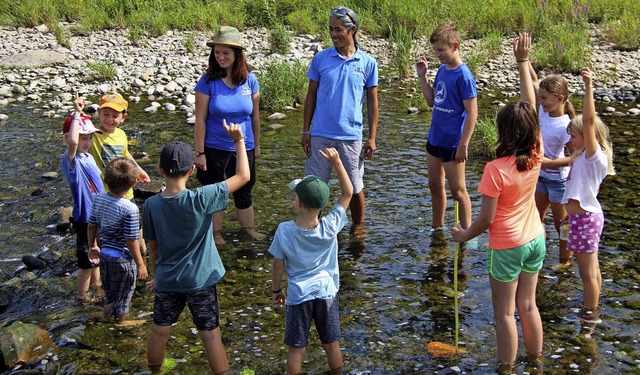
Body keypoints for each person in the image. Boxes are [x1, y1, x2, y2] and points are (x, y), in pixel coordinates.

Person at [451, 33, 545, 375]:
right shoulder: (536, 153)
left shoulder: (495, 170)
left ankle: (506, 368)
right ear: (531, 131)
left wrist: (463, 235)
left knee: (505, 313)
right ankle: (535, 361)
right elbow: (530, 108)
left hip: (507, 246)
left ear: (503, 133)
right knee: (529, 304)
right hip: (536, 239)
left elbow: (487, 221)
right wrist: (523, 62)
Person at [144, 121, 249, 374]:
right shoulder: (202, 198)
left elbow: (153, 245)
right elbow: (243, 176)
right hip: (200, 280)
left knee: (159, 331)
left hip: (168, 279)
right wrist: (239, 141)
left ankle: (154, 371)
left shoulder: (151, 205)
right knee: (210, 336)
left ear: (160, 169)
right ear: (192, 170)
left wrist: (156, 275)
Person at [269, 148, 353, 375]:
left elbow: (278, 264)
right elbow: (348, 192)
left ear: (298, 202)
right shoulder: (331, 224)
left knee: (296, 348)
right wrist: (337, 163)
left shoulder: (285, 230)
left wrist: (276, 289)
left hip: (298, 295)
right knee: (331, 343)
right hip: (326, 291)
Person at [301, 6, 378, 230]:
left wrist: (371, 137)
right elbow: (311, 95)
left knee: (354, 187)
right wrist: (306, 131)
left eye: (338, 29)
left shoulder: (367, 63)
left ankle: (358, 230)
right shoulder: (320, 59)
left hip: (351, 136)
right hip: (320, 135)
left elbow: (373, 102)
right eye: (330, 29)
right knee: (315, 186)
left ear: (352, 30)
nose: (333, 34)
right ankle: (313, 228)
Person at [194, 25, 264, 245]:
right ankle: (215, 233)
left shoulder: (250, 80)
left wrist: (257, 144)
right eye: (217, 52)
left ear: (237, 55)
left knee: (245, 190)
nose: (220, 57)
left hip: (244, 146)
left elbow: (255, 117)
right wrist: (199, 152)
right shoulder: (207, 81)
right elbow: (200, 119)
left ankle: (248, 230)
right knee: (216, 192)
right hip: (215, 148)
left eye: (226, 52)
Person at [561, 64, 615, 324]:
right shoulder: (581, 156)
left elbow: (590, 121)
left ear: (587, 136)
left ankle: (589, 315)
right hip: (579, 219)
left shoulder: (595, 157)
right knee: (591, 270)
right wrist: (567, 219)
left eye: (572, 135)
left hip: (586, 219)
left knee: (588, 273)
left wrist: (588, 86)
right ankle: (593, 305)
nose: (569, 140)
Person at [415, 22, 478, 230]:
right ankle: (437, 227)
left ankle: (468, 233)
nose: (437, 54)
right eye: (435, 50)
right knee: (434, 186)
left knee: (458, 191)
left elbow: (472, 113)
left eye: (441, 50)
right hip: (435, 139)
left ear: (455, 46)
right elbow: (432, 101)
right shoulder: (442, 70)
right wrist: (422, 77)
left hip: (453, 143)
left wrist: (464, 144)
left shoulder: (464, 76)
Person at [519, 53, 576, 269]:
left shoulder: (566, 125)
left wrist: (547, 162)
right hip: (540, 177)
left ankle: (565, 260)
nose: (540, 102)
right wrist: (525, 59)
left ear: (560, 99)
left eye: (544, 98)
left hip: (559, 181)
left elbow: (574, 158)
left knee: (562, 223)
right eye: (540, 97)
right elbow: (533, 82)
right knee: (536, 218)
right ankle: (537, 258)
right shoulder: (543, 114)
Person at [87, 157, 148, 325]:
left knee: (110, 291)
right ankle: (121, 322)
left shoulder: (99, 199)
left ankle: (108, 317)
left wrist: (92, 246)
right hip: (123, 260)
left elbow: (92, 225)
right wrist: (141, 263)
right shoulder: (130, 208)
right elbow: (130, 240)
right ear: (134, 183)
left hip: (104, 255)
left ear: (105, 180)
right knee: (125, 293)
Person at [88, 92, 150, 255]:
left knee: (135, 224)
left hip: (126, 192)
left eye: (114, 116)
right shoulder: (94, 135)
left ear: (123, 117)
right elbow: (78, 131)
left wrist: (138, 171)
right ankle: (106, 256)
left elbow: (126, 155)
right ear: (99, 113)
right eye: (105, 114)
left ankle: (142, 252)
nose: (109, 119)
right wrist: (78, 111)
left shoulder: (121, 135)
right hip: (106, 192)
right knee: (109, 229)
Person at [60, 94, 104, 304]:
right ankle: (82, 297)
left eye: (89, 138)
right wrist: (77, 113)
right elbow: (74, 142)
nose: (86, 142)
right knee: (86, 262)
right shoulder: (72, 161)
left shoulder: (89, 157)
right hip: (85, 218)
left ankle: (98, 287)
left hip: (97, 215)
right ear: (68, 137)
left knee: (97, 255)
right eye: (83, 138)